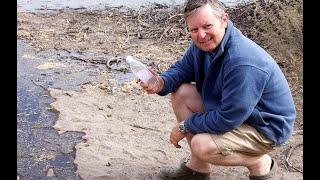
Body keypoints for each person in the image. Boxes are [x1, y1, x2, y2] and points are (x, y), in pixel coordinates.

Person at [139, 0, 296, 179]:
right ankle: (198, 169)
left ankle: (259, 162)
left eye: (207, 26)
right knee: (181, 93)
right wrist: (161, 82)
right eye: (194, 30)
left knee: (201, 145)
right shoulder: (204, 46)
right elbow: (183, 69)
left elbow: (229, 117)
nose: (201, 35)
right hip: (237, 112)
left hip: (265, 126)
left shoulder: (242, 61)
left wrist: (185, 126)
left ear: (224, 20)